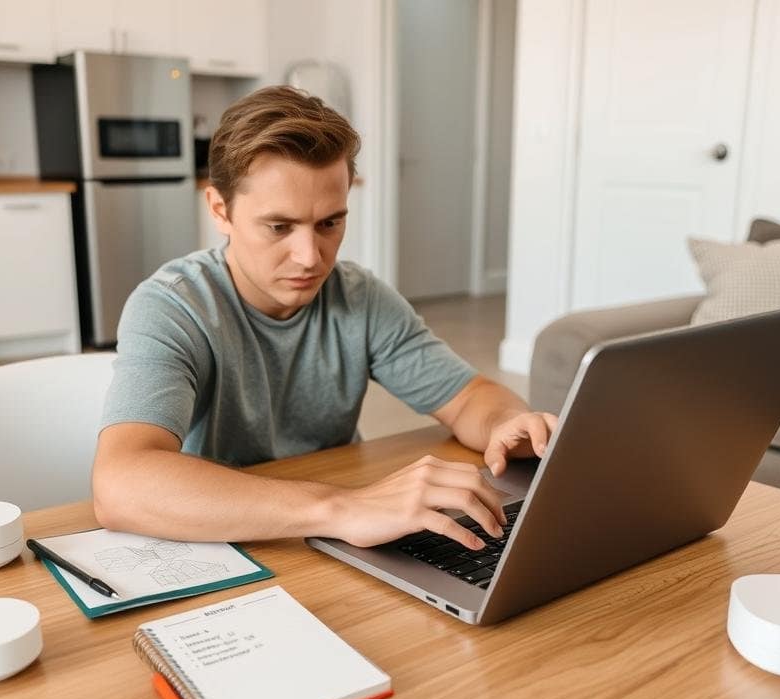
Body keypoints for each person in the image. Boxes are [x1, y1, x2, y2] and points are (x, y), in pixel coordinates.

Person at [92, 86, 558, 553]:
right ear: (220, 210)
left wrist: (507, 423)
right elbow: (121, 484)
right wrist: (342, 508)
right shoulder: (173, 306)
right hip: (220, 541)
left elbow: (470, 398)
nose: (310, 257)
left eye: (329, 223)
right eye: (279, 227)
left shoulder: (361, 297)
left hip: (333, 537)